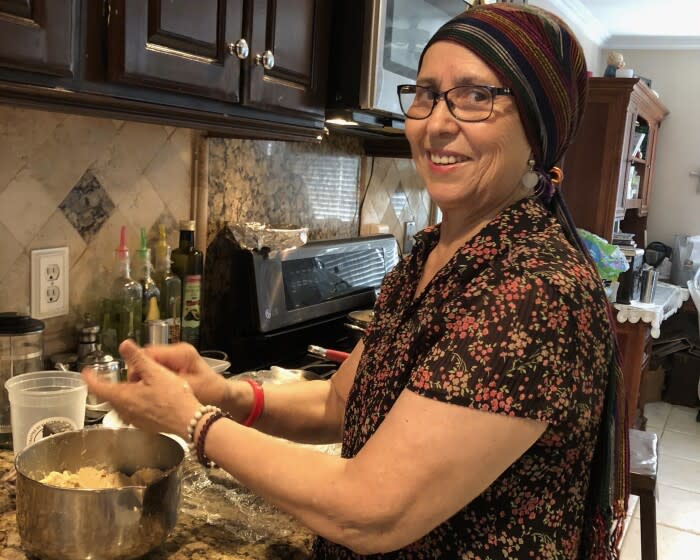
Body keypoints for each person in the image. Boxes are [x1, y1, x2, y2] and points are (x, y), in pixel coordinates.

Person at [84, 4, 628, 559]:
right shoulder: (430, 256)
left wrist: (193, 422)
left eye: (475, 96)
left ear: (538, 131)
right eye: (426, 93)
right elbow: (340, 403)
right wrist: (219, 393)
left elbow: (373, 509)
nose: (437, 122)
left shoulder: (535, 290)